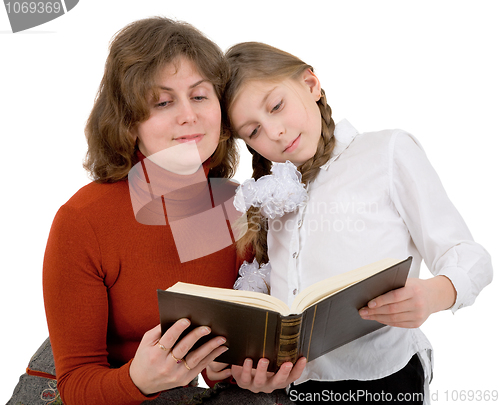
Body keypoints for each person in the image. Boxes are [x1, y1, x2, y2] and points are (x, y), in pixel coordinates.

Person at [222, 42, 493, 404]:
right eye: (253, 131)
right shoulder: (272, 197)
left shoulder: (386, 152)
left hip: (385, 377)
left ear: (311, 84)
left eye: (276, 106)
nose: (274, 132)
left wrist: (434, 294)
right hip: (298, 389)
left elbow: (469, 254)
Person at [42, 17, 244, 404]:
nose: (188, 115)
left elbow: (217, 356)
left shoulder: (243, 209)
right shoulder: (82, 220)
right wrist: (138, 379)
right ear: (128, 121)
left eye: (200, 96)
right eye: (163, 102)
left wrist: (229, 371)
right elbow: (75, 383)